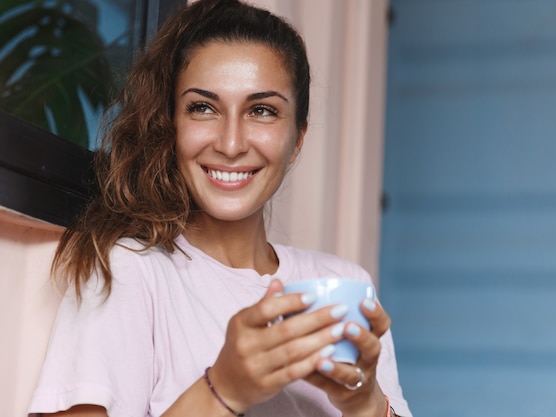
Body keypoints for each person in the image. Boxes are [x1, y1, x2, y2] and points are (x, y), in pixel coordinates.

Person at [28, 0, 412, 416]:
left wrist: (366, 402)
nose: (231, 144)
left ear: (297, 137)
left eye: (262, 110)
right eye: (203, 108)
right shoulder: (127, 273)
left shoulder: (342, 283)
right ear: (172, 124)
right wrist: (225, 388)